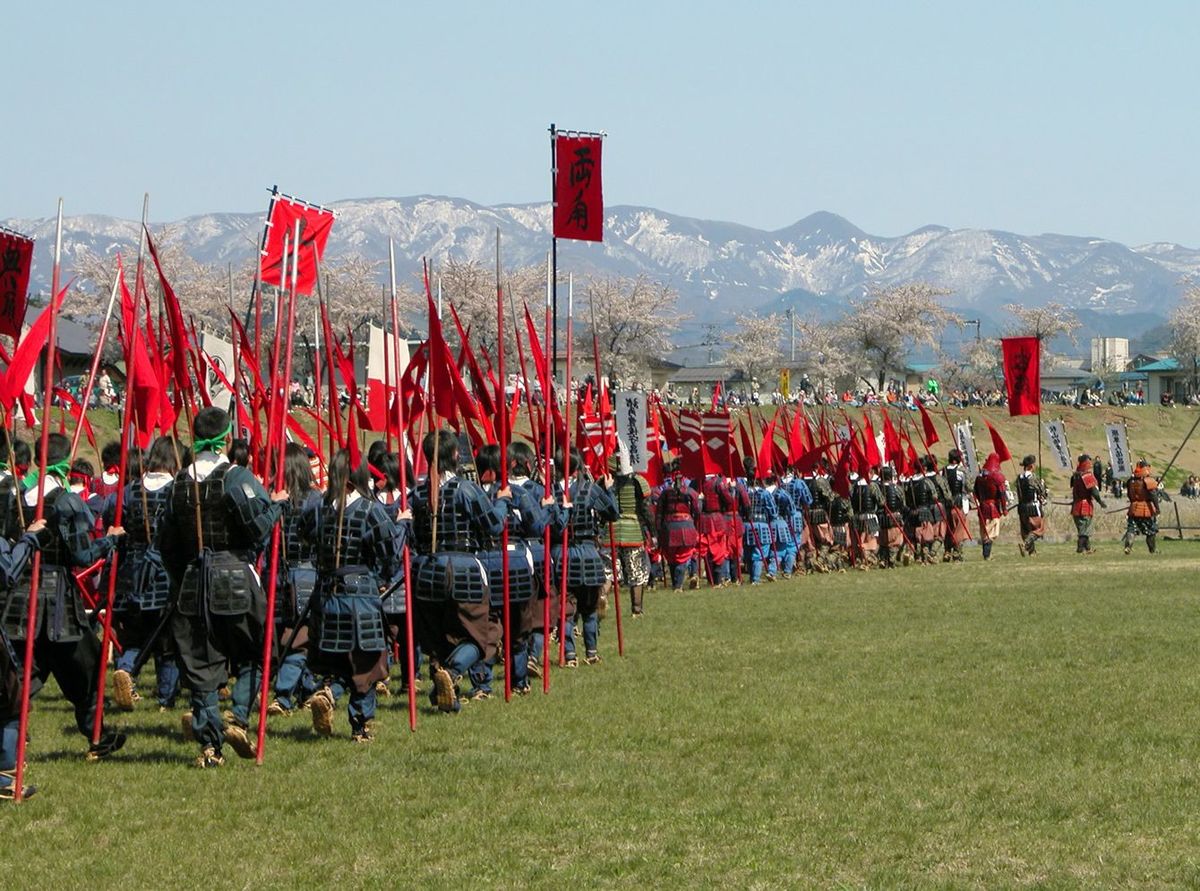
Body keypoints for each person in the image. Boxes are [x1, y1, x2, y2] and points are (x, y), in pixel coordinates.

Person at [157, 406, 287, 767]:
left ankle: (210, 745)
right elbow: (257, 527)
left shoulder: (177, 484)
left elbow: (166, 544)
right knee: (257, 651)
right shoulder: (235, 476)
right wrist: (277, 507)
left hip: (192, 582)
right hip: (234, 577)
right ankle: (239, 714)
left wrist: (182, 575)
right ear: (226, 439)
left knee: (202, 666)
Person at [1, 432, 127, 774]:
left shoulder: (14, 495)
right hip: (58, 601)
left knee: (25, 674)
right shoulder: (67, 502)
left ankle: (14, 742)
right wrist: (110, 542)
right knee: (86, 667)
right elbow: (81, 553)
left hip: (21, 597)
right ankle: (95, 735)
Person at [302, 449, 403, 742]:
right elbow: (389, 553)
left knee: (336, 661)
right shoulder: (372, 512)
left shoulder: (318, 508)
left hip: (327, 594)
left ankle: (329, 692)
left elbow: (304, 535)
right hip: (360, 595)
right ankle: (360, 725)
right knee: (366, 665)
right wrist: (381, 580)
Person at [411, 429, 506, 712]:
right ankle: (452, 674)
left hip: (428, 571)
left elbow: (416, 536)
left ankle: (446, 701)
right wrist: (501, 500)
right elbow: (494, 525)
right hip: (463, 569)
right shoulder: (466, 488)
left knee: (442, 638)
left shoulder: (418, 493)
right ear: (455, 455)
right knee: (484, 635)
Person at [109, 436, 181, 711]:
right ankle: (165, 698)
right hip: (164, 571)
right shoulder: (175, 489)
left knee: (137, 635)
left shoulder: (130, 489)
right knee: (167, 639)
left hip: (133, 572)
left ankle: (126, 668)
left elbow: (112, 516)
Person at [268, 443, 322, 716]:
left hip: (276, 575)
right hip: (304, 574)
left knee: (291, 636)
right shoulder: (315, 499)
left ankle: (307, 690)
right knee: (299, 639)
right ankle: (284, 695)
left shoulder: (269, 497)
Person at [554, 447, 619, 665]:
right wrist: (609, 490)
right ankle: (591, 652)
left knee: (567, 609)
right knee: (589, 608)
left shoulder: (552, 491)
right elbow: (613, 513)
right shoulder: (590, 489)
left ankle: (569, 654)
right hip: (588, 553)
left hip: (564, 554)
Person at [610, 452, 653, 612]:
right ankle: (636, 609)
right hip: (632, 530)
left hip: (611, 530)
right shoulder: (637, 481)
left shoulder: (606, 481)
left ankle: (602, 600)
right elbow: (645, 510)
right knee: (636, 572)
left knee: (609, 572)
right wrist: (653, 532)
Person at [656, 471, 700, 592]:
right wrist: (695, 525)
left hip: (669, 528)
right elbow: (697, 511)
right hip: (685, 527)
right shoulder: (690, 492)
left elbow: (659, 513)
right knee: (680, 556)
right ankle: (677, 585)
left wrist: (659, 529)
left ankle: (677, 584)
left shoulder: (665, 493)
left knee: (673, 557)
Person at [1069, 454, 1106, 555]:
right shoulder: (1087, 476)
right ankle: (1080, 548)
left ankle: (1088, 548)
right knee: (1085, 530)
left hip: (1076, 505)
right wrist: (1100, 502)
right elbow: (1094, 491)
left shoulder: (1076, 475)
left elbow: (1074, 491)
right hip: (1084, 506)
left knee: (1083, 528)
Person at [973, 453, 1007, 561]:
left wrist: (980, 501)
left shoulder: (979, 477)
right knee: (991, 532)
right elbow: (1002, 494)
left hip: (982, 507)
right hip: (992, 507)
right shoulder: (998, 477)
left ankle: (986, 554)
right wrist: (1004, 508)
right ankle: (987, 555)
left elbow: (975, 492)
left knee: (984, 531)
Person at [1122, 460, 1160, 555]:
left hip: (1134, 508)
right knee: (1151, 531)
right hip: (1146, 508)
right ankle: (1153, 550)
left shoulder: (1131, 481)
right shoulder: (1148, 480)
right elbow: (1153, 495)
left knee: (1132, 529)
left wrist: (1133, 502)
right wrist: (1157, 508)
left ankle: (1128, 546)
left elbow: (1129, 495)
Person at [1015, 455, 1047, 557]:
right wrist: (1043, 485)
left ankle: (1032, 552)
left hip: (1022, 507)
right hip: (1032, 507)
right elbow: (1042, 492)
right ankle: (1025, 545)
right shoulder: (1034, 478)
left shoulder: (1019, 478)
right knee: (1039, 529)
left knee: (1026, 530)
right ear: (1031, 466)